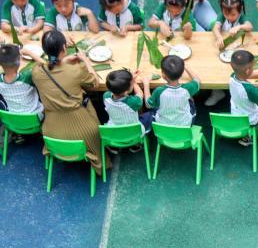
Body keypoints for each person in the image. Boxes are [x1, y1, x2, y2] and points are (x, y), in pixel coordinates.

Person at [31, 30, 103, 173]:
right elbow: (95, 83)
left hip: (52, 131)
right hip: (83, 131)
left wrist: (62, 61)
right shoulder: (76, 70)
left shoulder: (36, 72)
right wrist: (86, 61)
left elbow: (46, 65)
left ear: (44, 50)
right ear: (64, 48)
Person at [142, 54, 200, 129]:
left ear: (163, 75)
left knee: (155, 107)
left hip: (163, 126)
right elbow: (197, 80)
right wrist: (186, 67)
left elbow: (148, 105)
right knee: (190, 99)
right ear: (182, 73)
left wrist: (146, 84)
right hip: (185, 125)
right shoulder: (188, 88)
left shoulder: (159, 91)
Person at [0, 42, 44, 119]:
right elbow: (44, 64)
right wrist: (29, 53)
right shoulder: (27, 77)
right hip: (34, 118)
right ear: (19, 61)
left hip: (13, 119)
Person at [103, 69, 149, 133]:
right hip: (134, 133)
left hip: (115, 131)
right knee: (149, 115)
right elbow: (140, 93)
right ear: (126, 92)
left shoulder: (106, 96)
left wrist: (130, 80)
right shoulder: (133, 102)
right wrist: (133, 81)